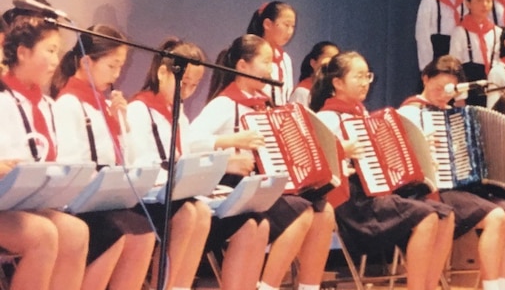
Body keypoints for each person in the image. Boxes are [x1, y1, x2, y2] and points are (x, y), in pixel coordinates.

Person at [193, 34, 336, 290]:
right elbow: (189, 142)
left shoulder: (265, 105)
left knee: (324, 211)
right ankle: (267, 286)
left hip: (264, 186)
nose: (270, 69)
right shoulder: (225, 103)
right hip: (234, 188)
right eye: (265, 61)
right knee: (300, 210)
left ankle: (308, 287)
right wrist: (229, 146)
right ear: (242, 66)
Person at [310, 52, 455, 290]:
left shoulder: (363, 115)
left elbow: (384, 159)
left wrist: (417, 149)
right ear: (337, 82)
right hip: (350, 203)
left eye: (367, 75)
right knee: (427, 217)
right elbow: (316, 164)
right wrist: (340, 151)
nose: (366, 82)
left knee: (445, 215)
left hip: (375, 195)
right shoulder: (326, 118)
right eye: (358, 76)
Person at [127, 38, 252, 290]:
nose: (187, 92)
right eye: (183, 83)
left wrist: (215, 167)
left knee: (201, 213)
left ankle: (179, 286)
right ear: (163, 72)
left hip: (172, 194)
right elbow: (140, 163)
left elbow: (184, 157)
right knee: (187, 214)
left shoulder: (177, 112)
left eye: (194, 86)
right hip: (147, 198)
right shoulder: (139, 110)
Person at [399, 56, 505, 290]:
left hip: (467, 191)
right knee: (497, 217)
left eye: (450, 91)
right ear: (425, 79)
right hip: (435, 190)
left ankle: (503, 285)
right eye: (438, 88)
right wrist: (422, 149)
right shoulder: (410, 113)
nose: (443, 96)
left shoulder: (459, 116)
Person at [51, 25, 157, 290]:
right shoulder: (68, 103)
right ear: (87, 62)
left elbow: (127, 163)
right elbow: (69, 164)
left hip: (106, 198)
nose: (117, 74)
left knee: (144, 232)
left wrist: (123, 124)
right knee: (118, 230)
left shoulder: (104, 105)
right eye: (112, 66)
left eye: (121, 66)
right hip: (82, 202)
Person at [0, 14, 89, 290]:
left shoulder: (46, 105)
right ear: (23, 53)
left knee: (76, 231)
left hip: (22, 202)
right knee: (42, 234)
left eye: (57, 52)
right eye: (50, 51)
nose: (55, 60)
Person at [449, 0, 501, 106]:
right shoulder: (460, 32)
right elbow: (455, 67)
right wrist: (459, 97)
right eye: (479, 0)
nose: (485, 4)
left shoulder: (496, 32)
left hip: (491, 84)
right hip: (469, 84)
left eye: (488, 0)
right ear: (468, 3)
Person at [415, 0, 467, 72]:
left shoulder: (464, 3)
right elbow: (422, 34)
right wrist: (427, 66)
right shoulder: (429, 1)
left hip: (457, 53)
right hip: (436, 51)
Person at [247, 0, 297, 105]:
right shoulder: (251, 55)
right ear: (267, 24)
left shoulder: (285, 59)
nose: (290, 32)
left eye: (293, 26)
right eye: (286, 25)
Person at [288, 41, 340, 107]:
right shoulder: (302, 92)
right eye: (328, 60)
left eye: (335, 61)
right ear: (313, 63)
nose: (332, 65)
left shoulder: (335, 93)